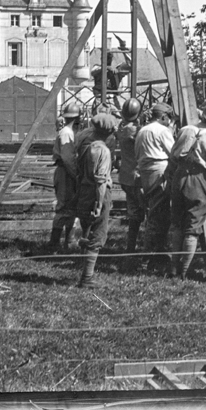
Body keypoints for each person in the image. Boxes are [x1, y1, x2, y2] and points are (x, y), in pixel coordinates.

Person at [165, 100, 206, 280]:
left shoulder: (185, 130)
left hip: (179, 175)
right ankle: (184, 272)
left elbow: (173, 155)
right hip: (200, 178)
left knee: (177, 223)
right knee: (192, 227)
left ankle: (174, 268)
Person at [75, 113, 118, 288]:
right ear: (109, 132)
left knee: (87, 229)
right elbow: (101, 180)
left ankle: (85, 271)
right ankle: (87, 278)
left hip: (84, 191)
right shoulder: (103, 151)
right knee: (98, 234)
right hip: (97, 192)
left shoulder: (87, 146)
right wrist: (100, 203)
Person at [134, 103, 177, 271]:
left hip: (145, 171)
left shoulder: (142, 130)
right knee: (158, 214)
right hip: (159, 171)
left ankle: (157, 251)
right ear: (164, 117)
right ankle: (149, 255)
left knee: (156, 212)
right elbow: (173, 151)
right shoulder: (162, 130)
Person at [44, 101, 86, 254]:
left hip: (65, 171)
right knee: (64, 206)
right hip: (66, 172)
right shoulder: (67, 133)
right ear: (77, 117)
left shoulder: (67, 131)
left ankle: (68, 241)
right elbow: (68, 158)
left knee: (70, 206)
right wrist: (76, 175)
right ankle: (56, 242)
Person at [115, 98, 144, 253]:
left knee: (133, 213)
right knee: (145, 211)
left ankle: (130, 247)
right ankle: (148, 247)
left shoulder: (121, 128)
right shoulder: (135, 130)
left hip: (125, 176)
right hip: (136, 177)